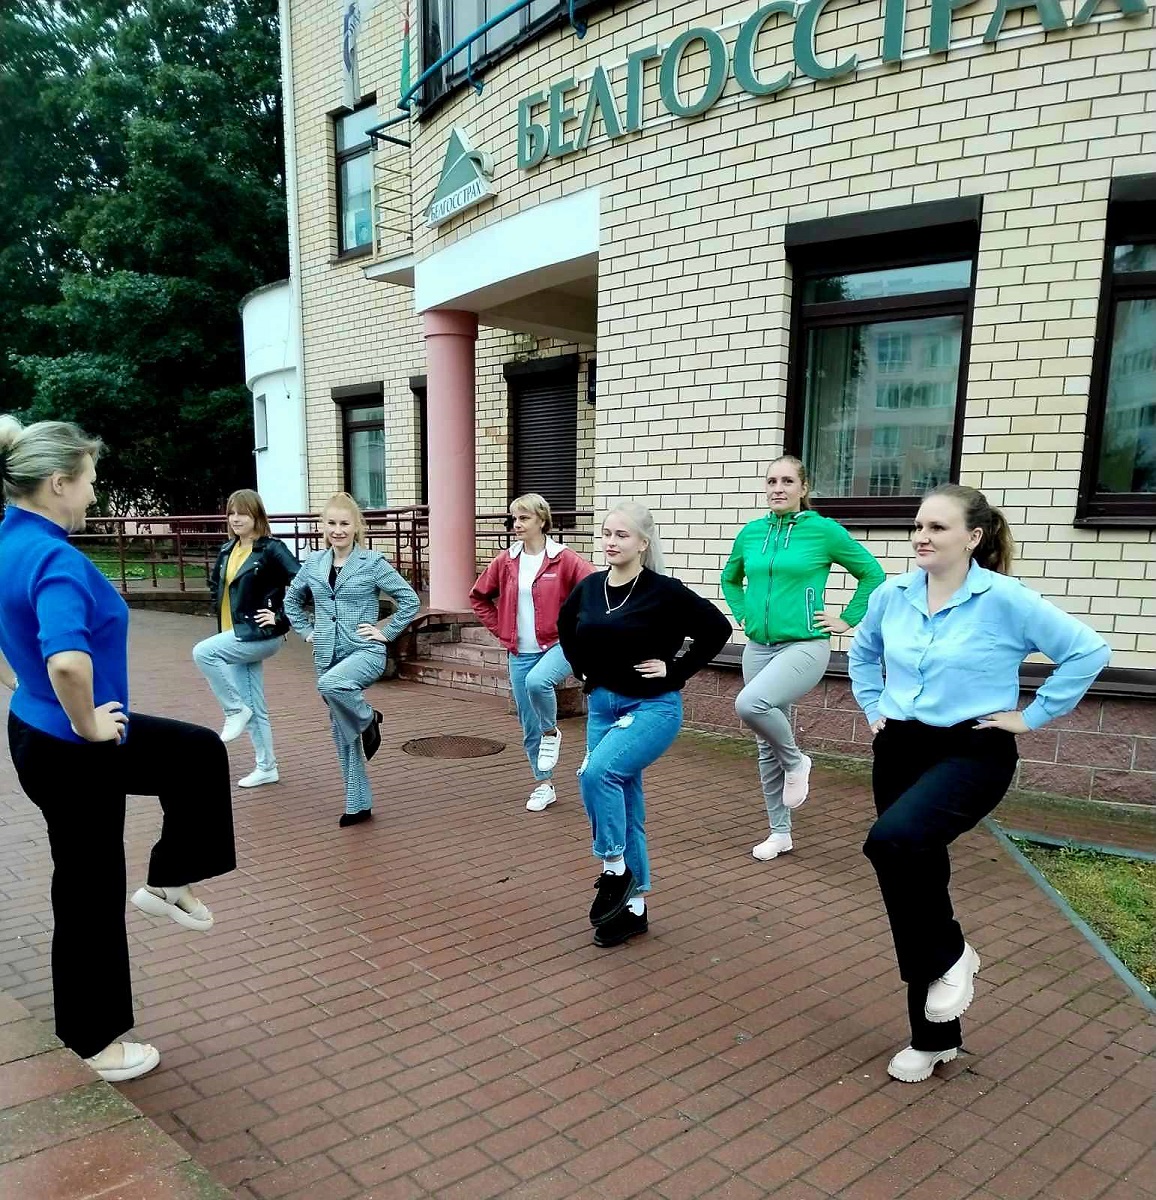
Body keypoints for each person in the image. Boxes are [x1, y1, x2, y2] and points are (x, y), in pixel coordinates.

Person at [0, 416, 236, 1083]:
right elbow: (70, 663)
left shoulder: (7, 541)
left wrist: (27, 690)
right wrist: (86, 722)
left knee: (194, 753)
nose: (96, 496)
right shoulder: (53, 558)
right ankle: (95, 1040)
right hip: (75, 747)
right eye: (91, 482)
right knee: (87, 891)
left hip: (40, 733)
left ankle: (168, 881)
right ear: (57, 482)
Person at [848, 483, 1110, 1084]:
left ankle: (951, 955)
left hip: (973, 749)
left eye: (938, 528)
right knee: (916, 877)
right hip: (901, 747)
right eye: (918, 525)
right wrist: (871, 706)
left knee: (891, 841)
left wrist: (1032, 715)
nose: (921, 536)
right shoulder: (893, 594)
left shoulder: (1004, 599)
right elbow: (862, 654)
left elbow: (1087, 651)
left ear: (974, 537)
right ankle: (934, 1038)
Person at [558, 502, 731, 948]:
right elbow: (565, 627)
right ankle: (633, 909)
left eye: (621, 535)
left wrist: (675, 672)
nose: (610, 542)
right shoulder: (591, 588)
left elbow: (716, 628)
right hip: (602, 707)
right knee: (626, 806)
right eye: (605, 534)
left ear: (642, 543)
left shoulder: (663, 591)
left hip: (653, 707)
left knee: (598, 773)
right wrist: (583, 671)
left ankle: (614, 871)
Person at [722, 456, 885, 862]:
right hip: (758, 646)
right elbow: (731, 577)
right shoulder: (752, 532)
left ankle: (798, 762)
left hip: (805, 645)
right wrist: (742, 612)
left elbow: (872, 573)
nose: (778, 488)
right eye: (771, 480)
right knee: (765, 744)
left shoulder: (823, 531)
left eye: (787, 481)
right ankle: (780, 832)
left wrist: (846, 618)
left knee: (750, 704)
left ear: (803, 487)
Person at [283, 492, 419, 826]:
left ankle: (369, 717)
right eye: (332, 523)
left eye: (345, 523)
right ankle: (357, 804)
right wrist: (308, 631)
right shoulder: (314, 563)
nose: (338, 530)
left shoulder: (371, 563)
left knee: (331, 685)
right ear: (323, 526)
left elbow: (409, 600)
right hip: (326, 652)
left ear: (357, 526)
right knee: (342, 731)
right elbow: (291, 601)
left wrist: (385, 632)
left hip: (364, 650)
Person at [469, 494, 594, 812]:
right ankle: (544, 784)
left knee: (539, 683)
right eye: (513, 518)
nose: (516, 524)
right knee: (528, 724)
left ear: (541, 520)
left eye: (523, 518)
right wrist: (501, 630)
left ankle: (551, 731)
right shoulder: (506, 561)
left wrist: (582, 629)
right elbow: (479, 596)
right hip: (519, 651)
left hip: (558, 644)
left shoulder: (563, 559)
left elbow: (594, 589)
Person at [192, 489, 300, 787]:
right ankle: (267, 767)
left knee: (203, 653)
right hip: (235, 634)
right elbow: (217, 587)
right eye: (231, 513)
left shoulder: (271, 549)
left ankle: (233, 709)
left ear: (257, 516)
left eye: (242, 513)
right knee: (255, 704)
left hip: (260, 635)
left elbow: (305, 584)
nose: (236, 518)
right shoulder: (228, 549)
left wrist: (281, 617)